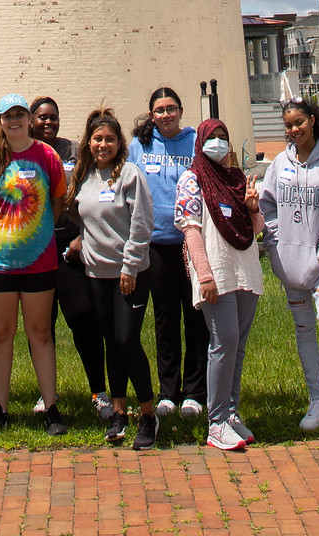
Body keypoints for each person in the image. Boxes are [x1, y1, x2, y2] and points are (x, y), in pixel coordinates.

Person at [0, 93, 69, 437]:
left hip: (39, 260)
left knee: (40, 333)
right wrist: (7, 230)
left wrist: (34, 232)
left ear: (28, 119)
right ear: (0, 121)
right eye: (6, 116)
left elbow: (57, 203)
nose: (13, 121)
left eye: (19, 114)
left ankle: (51, 406)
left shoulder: (47, 156)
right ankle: (0, 408)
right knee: (0, 334)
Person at [260, 99, 319, 448]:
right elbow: (268, 206)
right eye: (288, 124)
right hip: (289, 265)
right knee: (303, 331)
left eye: (299, 122)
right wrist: (274, 245)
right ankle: (318, 400)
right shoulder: (279, 164)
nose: (294, 129)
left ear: (313, 121)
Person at [173, 118, 263, 454]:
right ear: (200, 142)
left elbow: (254, 230)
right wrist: (205, 275)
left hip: (245, 269)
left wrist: (253, 209)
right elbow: (191, 230)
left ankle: (231, 412)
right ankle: (216, 421)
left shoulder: (237, 179)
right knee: (222, 342)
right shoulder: (191, 179)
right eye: (213, 138)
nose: (220, 144)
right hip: (218, 272)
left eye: (224, 137)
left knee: (237, 344)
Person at [72, 108, 157, 448]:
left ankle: (148, 414)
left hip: (128, 274)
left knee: (126, 340)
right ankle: (120, 412)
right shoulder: (85, 176)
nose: (102, 145)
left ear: (119, 143)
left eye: (109, 139)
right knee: (111, 342)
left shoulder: (130, 175)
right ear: (88, 143)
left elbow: (141, 222)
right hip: (96, 273)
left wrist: (130, 266)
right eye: (97, 139)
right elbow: (86, 219)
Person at [31, 95, 114, 424]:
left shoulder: (74, 152)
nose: (48, 122)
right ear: (31, 120)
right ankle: (46, 393)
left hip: (70, 246)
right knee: (41, 324)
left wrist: (84, 236)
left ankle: (99, 390)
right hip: (35, 247)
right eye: (41, 117)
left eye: (53, 116)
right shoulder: (24, 152)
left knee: (82, 316)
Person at [129, 85, 206, 419]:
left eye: (171, 108)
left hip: (192, 242)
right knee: (164, 318)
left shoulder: (196, 143)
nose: (166, 115)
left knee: (196, 316)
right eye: (159, 110)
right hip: (156, 242)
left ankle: (195, 392)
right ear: (152, 115)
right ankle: (168, 391)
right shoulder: (140, 145)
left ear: (181, 110)